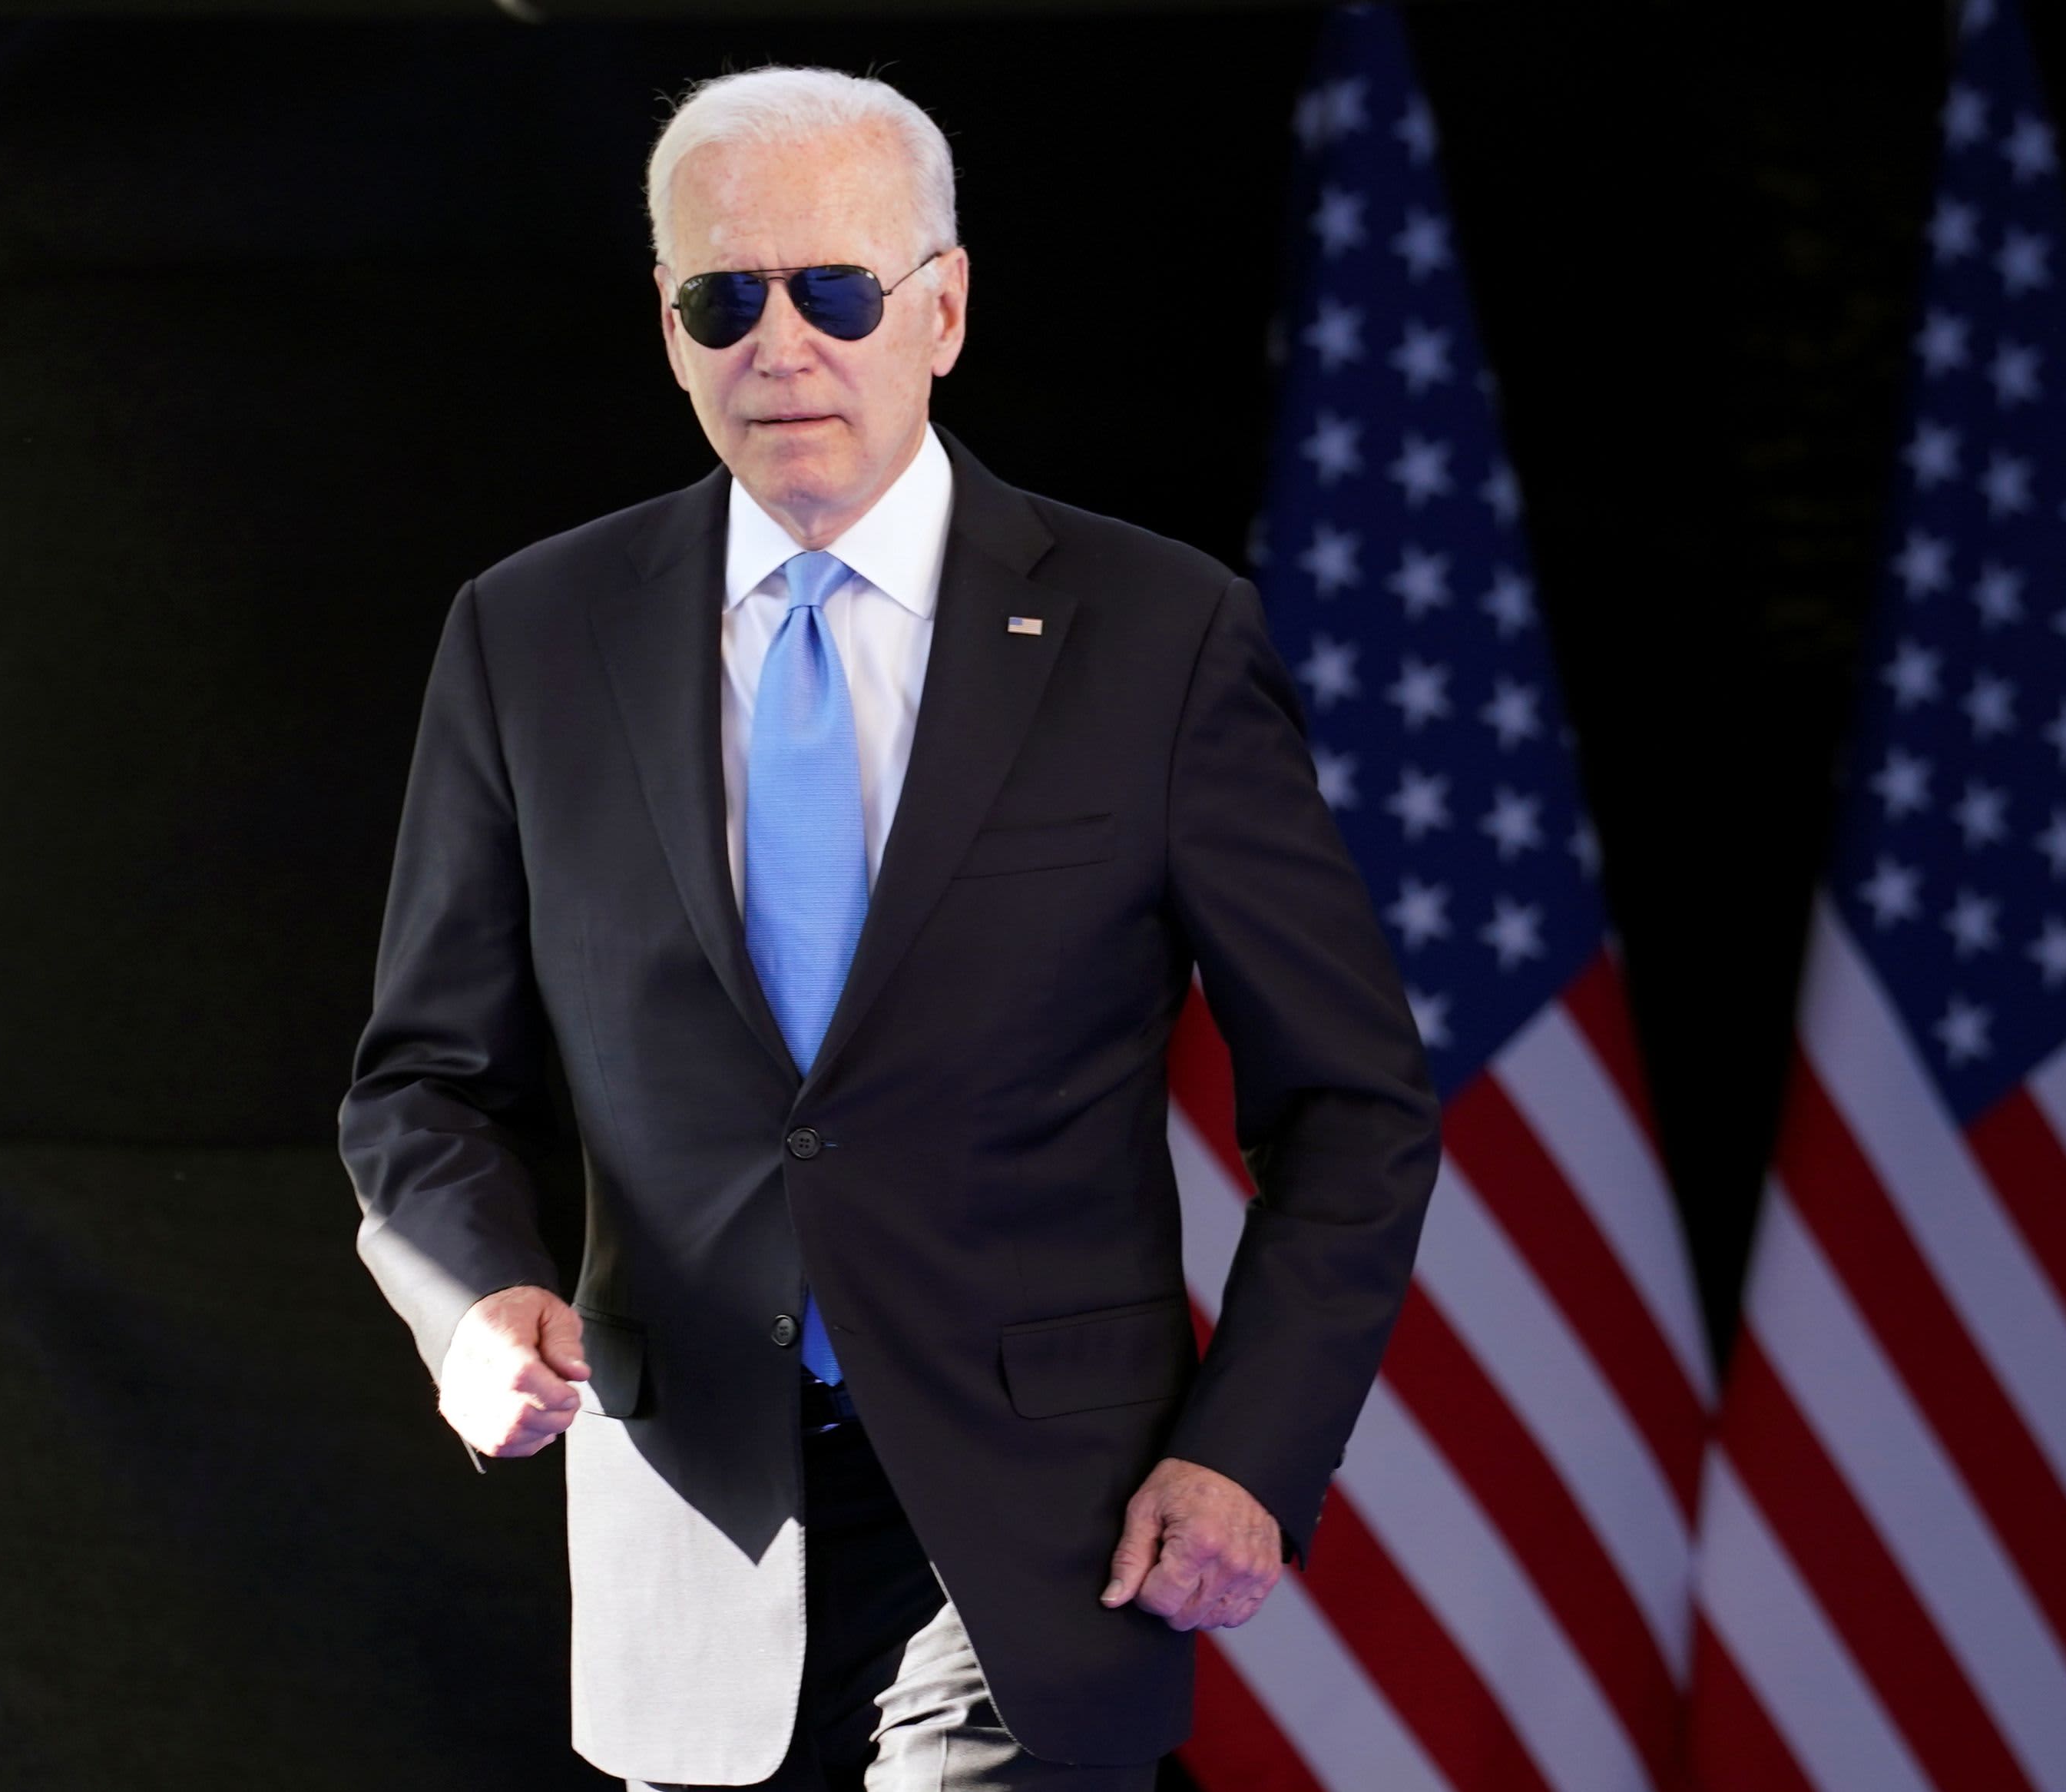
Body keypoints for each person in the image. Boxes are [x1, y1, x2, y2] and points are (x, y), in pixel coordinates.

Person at [336, 64, 1438, 1792]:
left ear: (943, 307)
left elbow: (1354, 1104)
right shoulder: (531, 637)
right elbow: (420, 1085)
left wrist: (1253, 1457)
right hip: (694, 1523)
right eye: (726, 297)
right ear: (669, 325)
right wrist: (470, 1300)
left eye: (837, 291)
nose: (784, 344)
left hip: (1037, 1521)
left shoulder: (1155, 633)